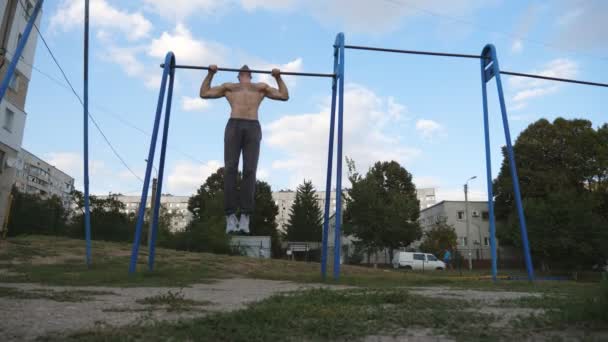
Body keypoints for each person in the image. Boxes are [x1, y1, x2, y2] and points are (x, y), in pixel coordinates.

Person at [200, 65, 289, 233]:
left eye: (247, 70)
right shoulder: (230, 88)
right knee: (230, 169)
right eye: (242, 71)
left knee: (250, 170)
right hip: (234, 125)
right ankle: (230, 216)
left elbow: (284, 96)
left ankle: (245, 216)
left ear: (250, 75)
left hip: (253, 126)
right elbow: (204, 93)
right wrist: (210, 73)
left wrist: (278, 77)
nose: (245, 70)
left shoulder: (260, 88)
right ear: (239, 76)